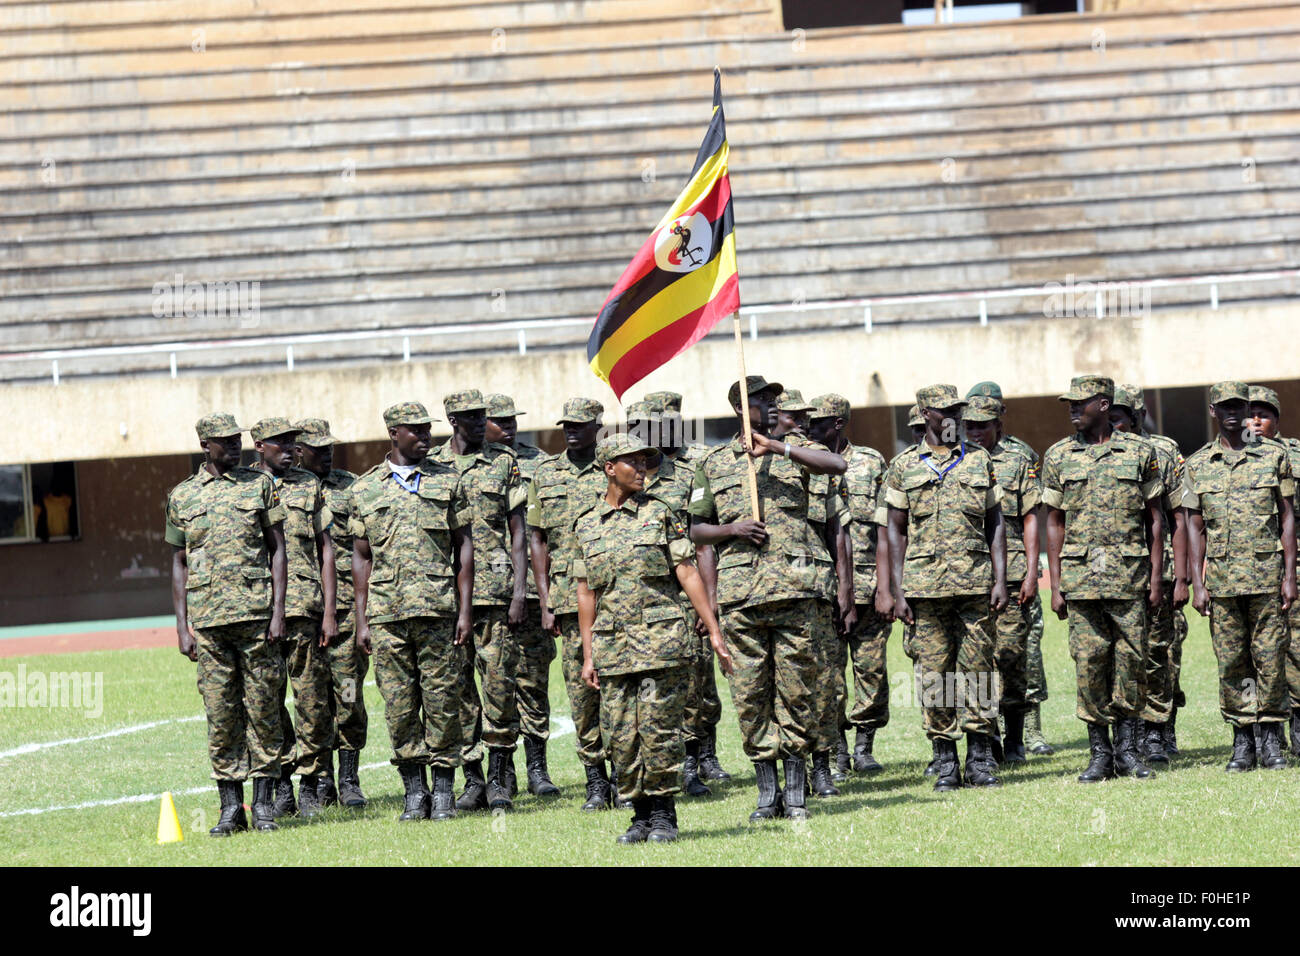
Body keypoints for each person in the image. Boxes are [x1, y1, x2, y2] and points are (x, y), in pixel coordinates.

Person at [688, 375, 847, 823]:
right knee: (750, 695)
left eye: (775, 398)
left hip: (797, 590)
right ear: (740, 405)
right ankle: (766, 793)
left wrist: (777, 448)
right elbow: (698, 528)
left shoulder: (797, 449)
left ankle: (796, 793)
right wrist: (732, 530)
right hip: (742, 596)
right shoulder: (715, 462)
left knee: (798, 692)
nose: (773, 404)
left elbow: (837, 466)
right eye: (762, 398)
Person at [575, 434, 734, 843]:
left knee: (659, 731)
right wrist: (589, 655)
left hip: (660, 644)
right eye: (633, 462)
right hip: (613, 648)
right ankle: (639, 815)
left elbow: (686, 572)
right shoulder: (587, 524)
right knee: (622, 736)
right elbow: (585, 593)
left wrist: (713, 628)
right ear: (609, 468)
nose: (643, 468)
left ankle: (664, 814)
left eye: (646, 461)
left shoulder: (662, 514)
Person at [348, 401, 475, 821]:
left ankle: (442, 792)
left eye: (427, 430)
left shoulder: (448, 482)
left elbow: (465, 548)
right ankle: (414, 791)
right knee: (400, 707)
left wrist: (464, 610)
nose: (425, 437)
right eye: (415, 431)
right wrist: (362, 620)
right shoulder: (365, 490)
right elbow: (361, 560)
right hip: (387, 616)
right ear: (394, 435)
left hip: (438, 610)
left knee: (442, 702)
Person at [879, 384, 1008, 791]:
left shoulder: (978, 459)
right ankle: (946, 760)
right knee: (935, 675)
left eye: (956, 409)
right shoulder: (903, 467)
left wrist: (1001, 579)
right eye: (943, 410)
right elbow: (894, 531)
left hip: (974, 584)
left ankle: (980, 759)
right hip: (924, 588)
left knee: (978, 671)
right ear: (925, 414)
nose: (952, 416)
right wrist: (897, 590)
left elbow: (996, 522)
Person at [165, 412, 288, 835]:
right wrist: (182, 627)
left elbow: (277, 551)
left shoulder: (261, 486)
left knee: (264, 711)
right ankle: (230, 808)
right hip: (210, 623)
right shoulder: (182, 496)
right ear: (205, 446)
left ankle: (266, 807)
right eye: (224, 441)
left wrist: (277, 613)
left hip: (256, 619)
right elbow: (179, 563)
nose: (234, 446)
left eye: (236, 439)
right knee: (221, 715)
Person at [1042, 376, 1163, 783]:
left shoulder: (1140, 452)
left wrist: (1158, 578)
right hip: (1080, 580)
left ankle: (1128, 750)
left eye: (1081, 403)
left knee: (1131, 662)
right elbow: (1054, 522)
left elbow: (1156, 521)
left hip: (1129, 576)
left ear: (1105, 404)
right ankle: (1099, 753)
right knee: (1089, 664)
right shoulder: (1059, 456)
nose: (1073, 409)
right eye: (1070, 403)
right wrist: (1057, 582)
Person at [1183, 381, 1297, 771]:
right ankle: (1243, 742)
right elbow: (1194, 526)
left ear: (1248, 409)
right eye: (1224, 406)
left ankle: (1271, 742)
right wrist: (1198, 583)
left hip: (1266, 577)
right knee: (1232, 663)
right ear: (1213, 411)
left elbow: (1286, 518)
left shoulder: (1272, 456)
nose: (1233, 413)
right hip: (1222, 582)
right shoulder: (1198, 465)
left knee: (1270, 660)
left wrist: (1289, 577)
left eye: (1239, 406)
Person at [431, 390, 528, 812]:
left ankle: (502, 777)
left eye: (481, 416)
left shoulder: (503, 462)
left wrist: (522, 591)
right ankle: (473, 779)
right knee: (458, 691)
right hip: (446, 597)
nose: (478, 423)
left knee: (499, 685)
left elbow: (520, 532)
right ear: (452, 420)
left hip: (496, 592)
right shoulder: (433, 466)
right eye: (469, 417)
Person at [528, 398, 615, 809]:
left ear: (599, 426)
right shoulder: (544, 475)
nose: (573, 432)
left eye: (581, 425)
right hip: (567, 597)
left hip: (617, 594)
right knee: (583, 693)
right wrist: (545, 599)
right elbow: (537, 539)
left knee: (620, 687)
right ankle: (596, 781)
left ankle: (628, 774)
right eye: (568, 426)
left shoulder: (617, 466)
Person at [251, 417, 338, 819]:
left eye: (292, 442)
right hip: (258, 610)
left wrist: (331, 612)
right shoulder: (244, 486)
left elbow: (327, 552)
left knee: (312, 702)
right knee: (267, 702)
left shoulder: (309, 485)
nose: (289, 448)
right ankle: (281, 781)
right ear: (259, 446)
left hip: (305, 610)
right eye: (279, 443)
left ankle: (312, 784)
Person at [643, 391, 730, 781]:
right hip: (650, 590)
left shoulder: (700, 464)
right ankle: (674, 759)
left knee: (700, 677)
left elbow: (706, 531)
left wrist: (708, 601)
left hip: (691, 585)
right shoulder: (634, 471)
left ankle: (703, 754)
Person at [626, 400, 710, 798]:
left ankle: (690, 766)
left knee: (689, 691)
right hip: (635, 602)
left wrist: (704, 603)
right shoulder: (618, 480)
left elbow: (702, 538)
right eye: (639, 426)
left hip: (681, 598)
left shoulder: (689, 475)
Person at [808, 393, 892, 775]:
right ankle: (837, 749)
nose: (811, 427)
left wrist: (887, 586)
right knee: (828, 674)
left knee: (870, 669)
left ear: (838, 423)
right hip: (824, 587)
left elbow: (884, 528)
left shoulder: (872, 463)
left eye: (819, 421)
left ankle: (864, 746)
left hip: (868, 584)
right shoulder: (805, 463)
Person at [484, 393, 560, 796]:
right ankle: (500, 774)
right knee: (492, 685)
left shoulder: (540, 464)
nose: (508, 426)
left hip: (531, 593)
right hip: (483, 596)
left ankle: (538, 768)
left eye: (511, 419)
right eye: (499, 421)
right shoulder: (448, 465)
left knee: (533, 680)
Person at [1109, 387, 1187, 767]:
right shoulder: (1096, 453)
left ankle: (1159, 729)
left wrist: (1183, 576)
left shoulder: (1165, 450)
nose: (1113, 423)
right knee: (1123, 655)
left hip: (1162, 569)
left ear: (1138, 416)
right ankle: (1130, 732)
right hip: (1118, 573)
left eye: (1120, 416)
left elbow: (1179, 518)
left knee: (1160, 652)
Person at [294, 418, 369, 809]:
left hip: (344, 613)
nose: (327, 454)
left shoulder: (352, 487)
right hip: (302, 610)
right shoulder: (282, 488)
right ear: (298, 451)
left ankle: (349, 777)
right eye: (317, 449)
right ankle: (315, 781)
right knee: (309, 700)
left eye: (329, 448)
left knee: (349, 694)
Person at [961, 395, 1039, 763]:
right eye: (969, 426)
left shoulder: (1018, 461)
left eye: (982, 425)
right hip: (970, 576)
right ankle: (985, 740)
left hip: (1012, 576)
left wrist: (1032, 572)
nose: (975, 432)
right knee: (977, 662)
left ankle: (1015, 740)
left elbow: (1030, 517)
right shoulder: (958, 461)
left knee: (1011, 657)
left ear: (998, 426)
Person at [1246, 385, 1300, 755]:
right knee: (1258, 654)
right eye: (1251, 414)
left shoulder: (1295, 454)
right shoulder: (1232, 456)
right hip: (1252, 569)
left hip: (1292, 565)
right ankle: (1265, 735)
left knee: (1295, 649)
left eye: (1263, 414)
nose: (1256, 421)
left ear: (1276, 419)